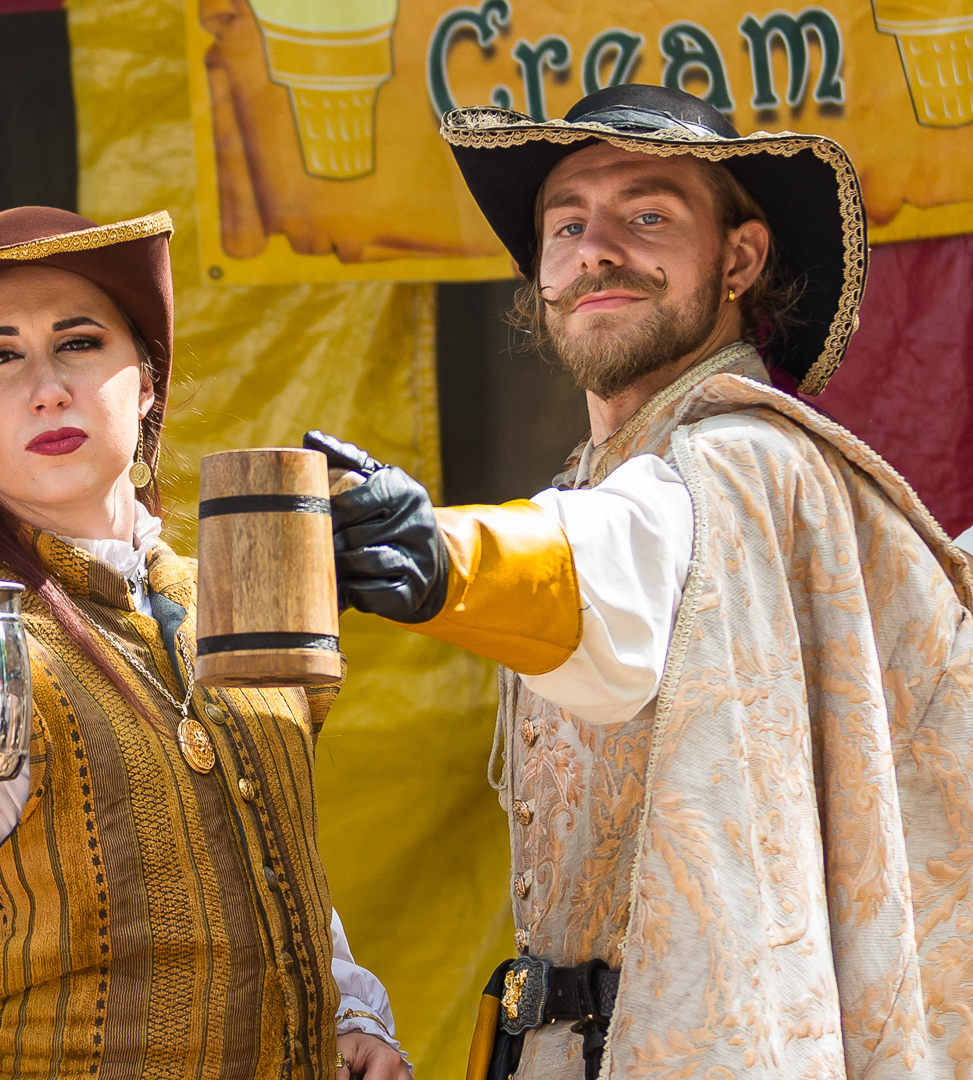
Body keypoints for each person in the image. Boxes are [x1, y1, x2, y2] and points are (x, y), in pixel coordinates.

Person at [306, 84, 973, 1078]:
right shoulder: (599, 480)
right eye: (566, 226)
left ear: (739, 260)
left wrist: (441, 556)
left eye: (648, 215)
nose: (596, 250)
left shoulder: (748, 461)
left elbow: (618, 559)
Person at [0, 206, 411, 1079]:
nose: (48, 389)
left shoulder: (234, 597)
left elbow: (271, 857)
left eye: (79, 343)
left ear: (145, 383)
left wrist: (346, 1012)